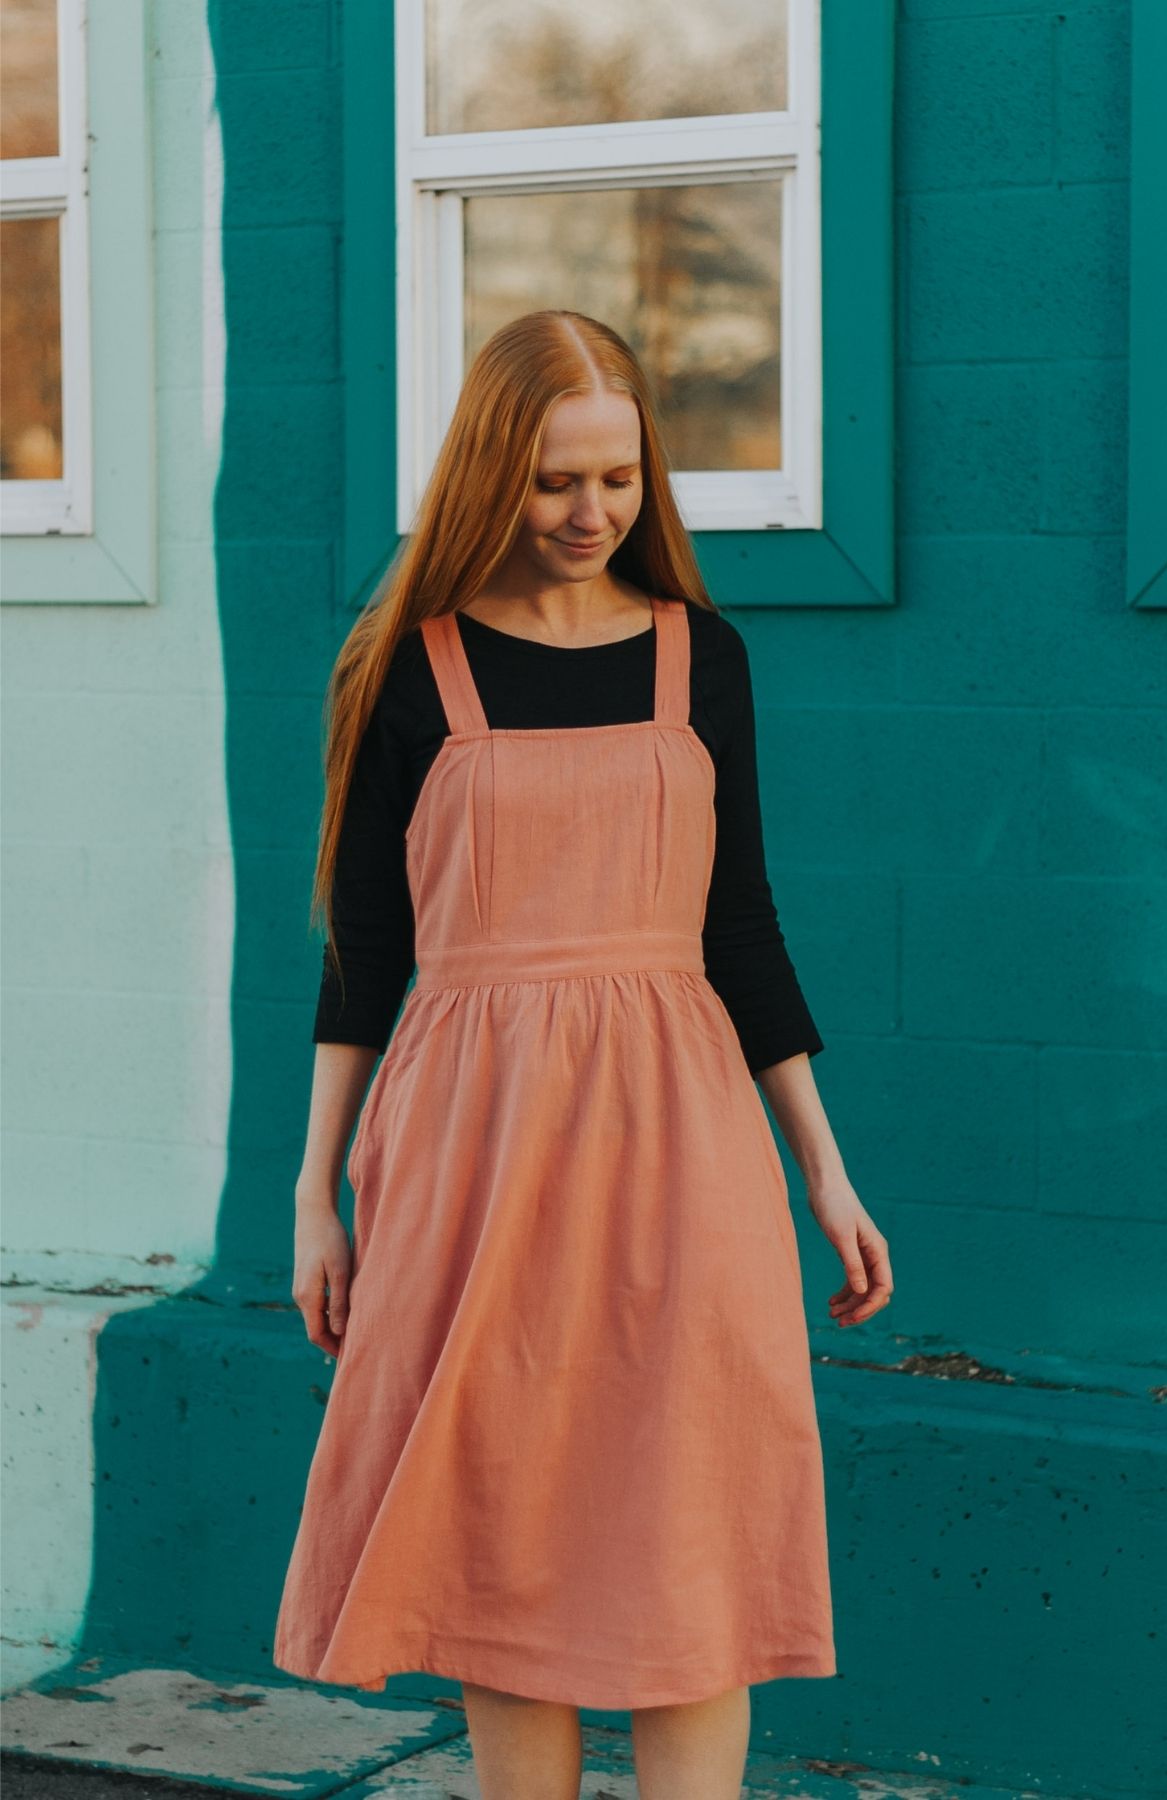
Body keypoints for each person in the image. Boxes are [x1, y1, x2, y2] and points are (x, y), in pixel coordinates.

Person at [273, 309, 893, 1800]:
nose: (589, 513)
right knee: (510, 1528)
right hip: (468, 1146)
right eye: (556, 480)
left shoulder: (705, 657)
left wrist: (824, 1168)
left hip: (686, 1140)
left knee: (692, 1538)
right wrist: (315, 1197)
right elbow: (366, 953)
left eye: (617, 480)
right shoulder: (406, 669)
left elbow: (740, 924)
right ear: (494, 472)